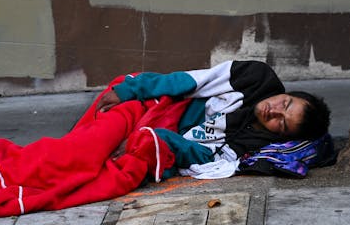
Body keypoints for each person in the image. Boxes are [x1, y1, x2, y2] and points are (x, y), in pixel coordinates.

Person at [95, 60, 331, 172]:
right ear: (288, 93)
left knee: (114, 170)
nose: (275, 110)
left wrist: (152, 141)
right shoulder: (257, 77)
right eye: (286, 103)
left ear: (282, 136)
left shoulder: (253, 147)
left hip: (163, 140)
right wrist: (132, 90)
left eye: (282, 123)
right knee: (107, 125)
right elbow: (192, 80)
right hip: (164, 104)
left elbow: (202, 158)